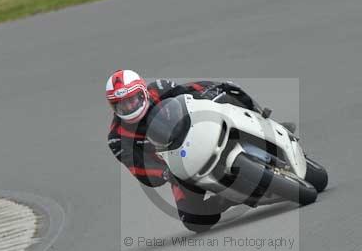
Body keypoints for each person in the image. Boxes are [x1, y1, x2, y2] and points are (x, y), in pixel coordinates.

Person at [106, 69, 263, 232]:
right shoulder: (117, 138)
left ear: (142, 92)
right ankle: (232, 196)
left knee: (231, 91)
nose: (129, 107)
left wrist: (213, 92)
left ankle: (262, 121)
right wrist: (165, 173)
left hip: (199, 130)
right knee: (193, 220)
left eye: (131, 100)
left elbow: (189, 94)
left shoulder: (160, 88)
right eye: (121, 104)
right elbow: (139, 168)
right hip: (178, 165)